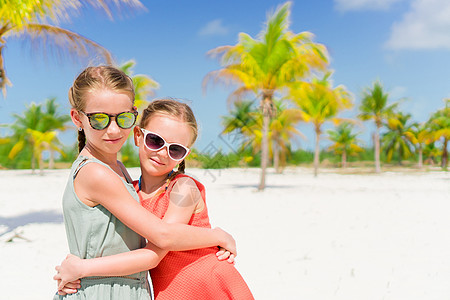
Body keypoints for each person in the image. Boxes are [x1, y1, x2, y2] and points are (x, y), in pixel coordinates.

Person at [54, 66, 236, 299]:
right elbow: (163, 236)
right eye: (99, 119)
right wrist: (220, 235)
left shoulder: (120, 171)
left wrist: (81, 268)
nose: (113, 129)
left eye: (123, 118)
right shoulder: (97, 174)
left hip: (184, 285)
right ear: (77, 118)